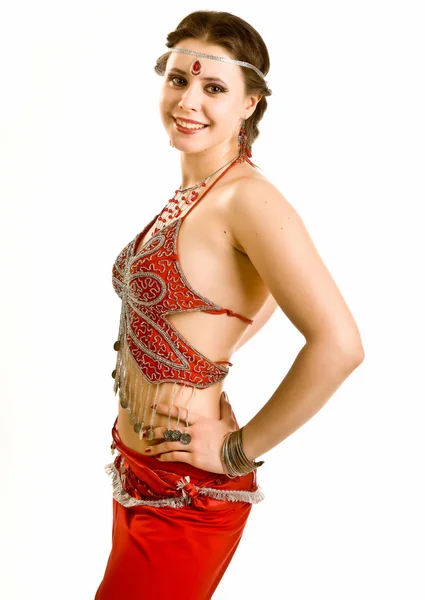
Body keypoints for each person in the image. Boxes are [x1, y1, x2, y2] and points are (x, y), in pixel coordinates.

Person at [95, 10, 364, 600]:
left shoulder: (249, 200)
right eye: (177, 79)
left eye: (214, 87)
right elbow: (252, 300)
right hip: (140, 476)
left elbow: (340, 345)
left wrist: (237, 451)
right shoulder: (196, 193)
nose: (188, 100)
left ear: (250, 103)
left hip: (189, 496)